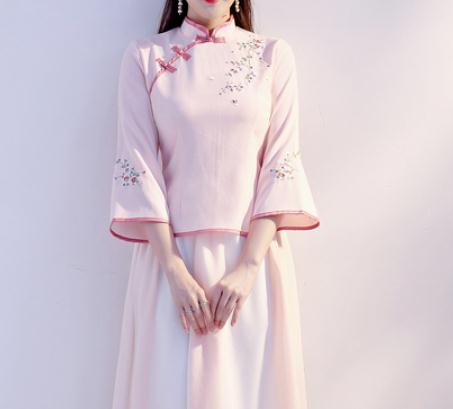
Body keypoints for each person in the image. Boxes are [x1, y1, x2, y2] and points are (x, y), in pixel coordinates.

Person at [108, 0, 321, 408]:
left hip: (252, 262)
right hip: (170, 266)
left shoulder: (272, 56)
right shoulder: (145, 58)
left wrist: (249, 266)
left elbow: (281, 164)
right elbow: (138, 165)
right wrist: (173, 268)